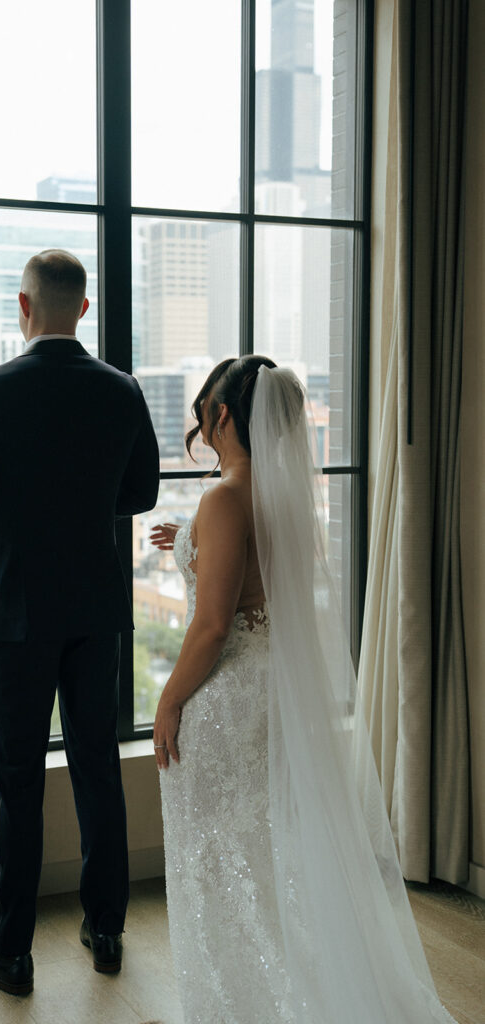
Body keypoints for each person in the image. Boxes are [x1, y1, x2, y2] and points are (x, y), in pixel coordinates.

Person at [150, 356, 456, 1023]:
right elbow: (253, 570)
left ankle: (247, 1003)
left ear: (223, 414)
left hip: (228, 694)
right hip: (270, 692)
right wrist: (186, 543)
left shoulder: (224, 496)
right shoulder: (277, 497)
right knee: (266, 851)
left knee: (221, 858)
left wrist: (169, 700)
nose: (199, 425)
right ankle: (303, 986)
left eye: (204, 411)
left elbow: (210, 625)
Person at [0, 249, 159, 995]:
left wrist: (18, 530)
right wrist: (80, 519)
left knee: (18, 783)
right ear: (84, 310)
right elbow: (141, 489)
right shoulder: (121, 388)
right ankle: (105, 930)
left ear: (24, 308)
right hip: (97, 608)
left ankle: (12, 951)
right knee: (97, 766)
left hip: (19, 612)